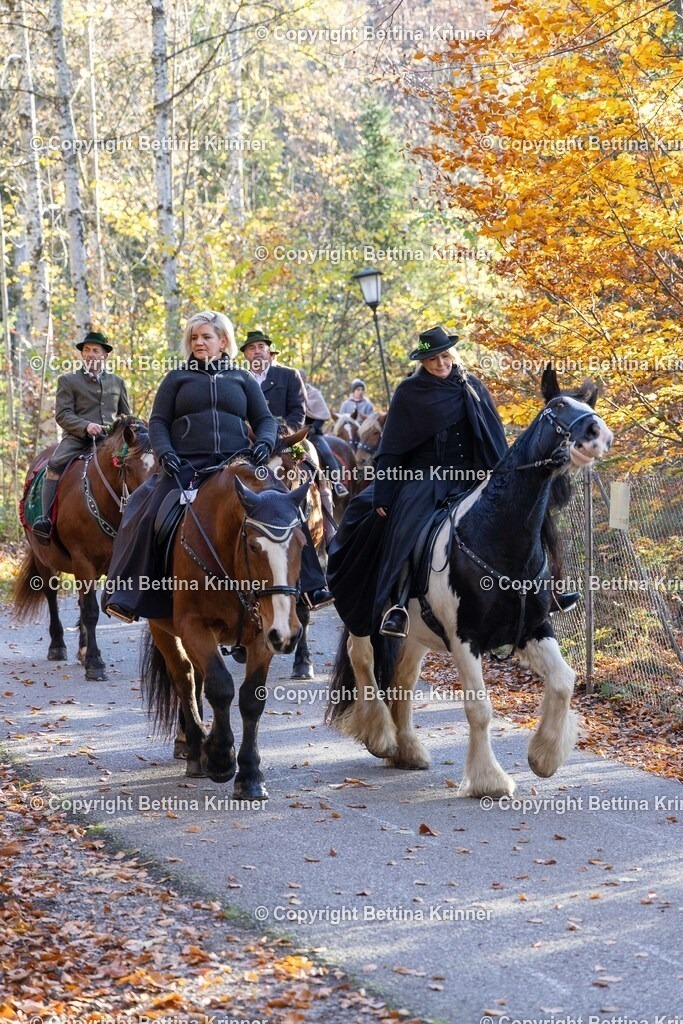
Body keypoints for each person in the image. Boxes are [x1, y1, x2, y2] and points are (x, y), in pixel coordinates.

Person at [103, 311, 331, 624]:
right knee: (144, 509)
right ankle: (129, 594)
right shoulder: (176, 378)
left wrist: (264, 443)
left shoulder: (241, 378)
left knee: (284, 505)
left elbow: (264, 419)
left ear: (223, 342)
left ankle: (312, 587)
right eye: (194, 337)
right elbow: (158, 422)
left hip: (238, 463)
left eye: (206, 337)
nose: (199, 342)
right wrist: (166, 453)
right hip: (186, 464)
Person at [327, 326, 510, 639]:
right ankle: (398, 605)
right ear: (422, 362)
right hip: (424, 478)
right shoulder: (410, 392)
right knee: (407, 528)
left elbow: (494, 437)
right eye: (432, 359)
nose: (440, 363)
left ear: (452, 353)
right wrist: (384, 493)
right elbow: (392, 448)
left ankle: (538, 594)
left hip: (473, 474)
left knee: (518, 516)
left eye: (444, 356)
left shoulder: (472, 386)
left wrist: (500, 476)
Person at [33, 331, 131, 542]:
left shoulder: (117, 382)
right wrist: (86, 426)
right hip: (78, 437)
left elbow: (125, 414)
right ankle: (45, 519)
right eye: (86, 350)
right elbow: (63, 414)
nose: (90, 354)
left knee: (137, 465)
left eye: (95, 350)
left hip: (111, 439)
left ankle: (138, 516)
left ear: (105, 355)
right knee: (55, 464)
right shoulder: (68, 380)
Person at [240, 330, 306, 432]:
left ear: (268, 351)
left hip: (282, 437)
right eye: (251, 348)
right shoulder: (239, 379)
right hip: (247, 439)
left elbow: (297, 412)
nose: (257, 351)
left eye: (261, 346)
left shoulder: (289, 375)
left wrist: (283, 434)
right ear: (246, 355)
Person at [301, 372, 349, 499]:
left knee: (326, 452)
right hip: (292, 434)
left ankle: (337, 483)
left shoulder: (314, 393)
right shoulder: (288, 392)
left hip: (312, 435)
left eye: (301, 378)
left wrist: (312, 428)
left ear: (306, 379)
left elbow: (322, 416)